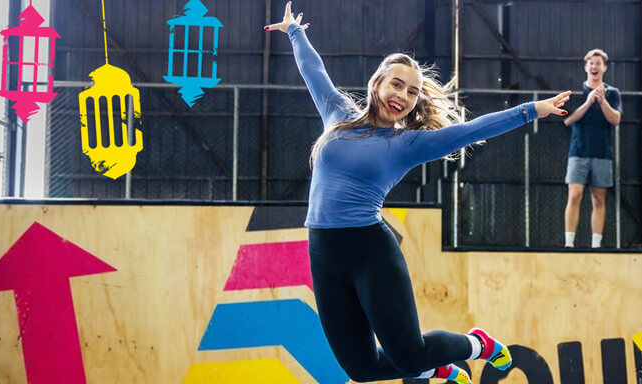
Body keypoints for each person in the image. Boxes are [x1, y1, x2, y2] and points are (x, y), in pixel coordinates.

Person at [266, 3, 571, 383]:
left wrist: (531, 110)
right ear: (377, 82)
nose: (404, 96)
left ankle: (477, 346)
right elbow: (314, 71)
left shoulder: (409, 143)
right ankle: (437, 368)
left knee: (409, 355)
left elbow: (473, 130)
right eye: (397, 84)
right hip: (323, 252)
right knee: (360, 370)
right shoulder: (338, 114)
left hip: (369, 251)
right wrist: (295, 31)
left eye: (412, 92)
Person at [562, 49, 622, 248]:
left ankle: (596, 244)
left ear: (604, 67)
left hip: (602, 153)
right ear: (586, 66)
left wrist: (602, 100)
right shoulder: (576, 92)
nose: (595, 67)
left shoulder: (612, 93)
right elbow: (568, 120)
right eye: (591, 63)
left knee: (599, 198)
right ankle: (569, 243)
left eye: (598, 63)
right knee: (575, 195)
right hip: (578, 152)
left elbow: (616, 119)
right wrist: (588, 102)